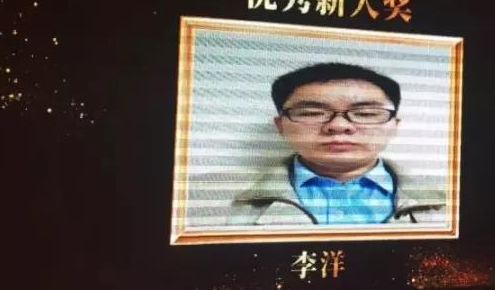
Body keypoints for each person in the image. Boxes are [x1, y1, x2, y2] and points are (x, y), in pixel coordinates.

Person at [188, 63, 446, 226]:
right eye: (312, 112)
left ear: (394, 125)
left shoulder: (451, 198)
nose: (338, 126)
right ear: (280, 125)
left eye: (365, 113)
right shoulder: (201, 196)